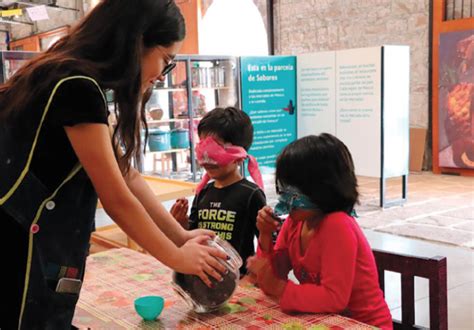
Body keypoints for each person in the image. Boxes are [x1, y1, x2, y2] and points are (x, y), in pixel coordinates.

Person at [0, 1, 227, 328]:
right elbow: (117, 198)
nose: (159, 77)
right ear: (137, 42)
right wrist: (176, 257)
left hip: (42, 242)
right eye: (165, 61)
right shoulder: (76, 86)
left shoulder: (64, 74)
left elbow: (125, 173)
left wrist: (180, 236)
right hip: (26, 248)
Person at [246, 134, 392, 329]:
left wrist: (280, 289)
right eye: (284, 189)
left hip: (363, 325)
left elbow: (334, 299)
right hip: (323, 321)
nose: (286, 199)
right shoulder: (295, 222)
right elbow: (275, 274)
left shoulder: (337, 225)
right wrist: (264, 235)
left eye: (295, 190)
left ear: (324, 190)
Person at [171, 107, 266, 275]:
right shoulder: (203, 192)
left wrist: (256, 273)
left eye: (217, 147)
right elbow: (192, 233)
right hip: (203, 272)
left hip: (238, 279)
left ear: (239, 153)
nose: (207, 157)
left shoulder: (251, 194)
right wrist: (181, 222)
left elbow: (265, 242)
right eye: (203, 146)